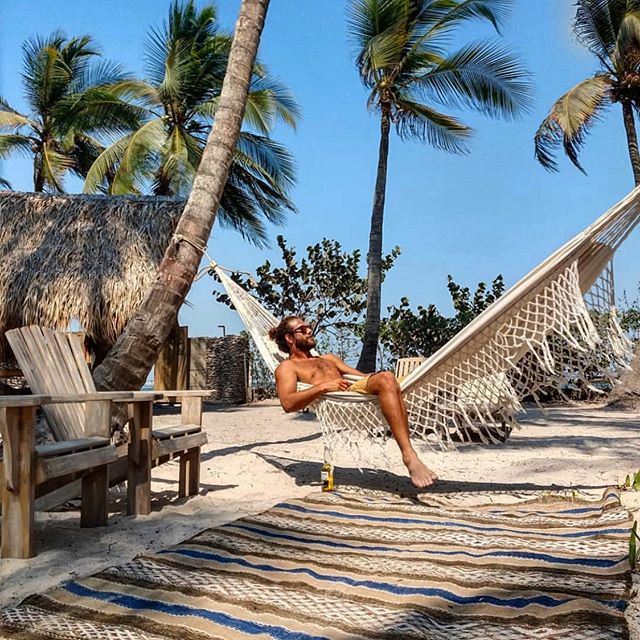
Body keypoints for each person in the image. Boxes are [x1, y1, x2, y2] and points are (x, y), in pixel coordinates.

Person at [269, 316, 438, 488]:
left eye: (309, 326)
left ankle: (424, 374)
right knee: (386, 378)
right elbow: (288, 403)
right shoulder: (287, 367)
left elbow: (362, 377)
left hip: (357, 392)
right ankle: (409, 456)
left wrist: (408, 379)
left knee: (420, 375)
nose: (310, 330)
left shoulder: (329, 358)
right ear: (289, 338)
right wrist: (323, 387)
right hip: (342, 403)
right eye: (302, 329)